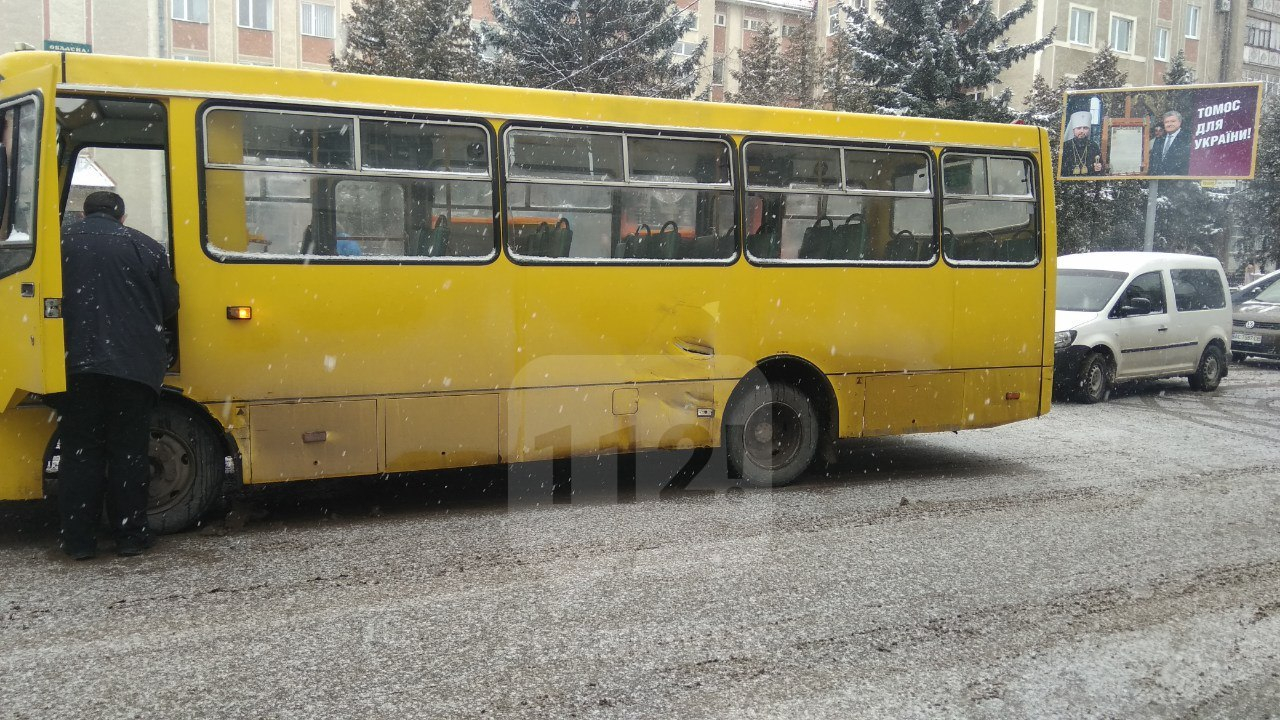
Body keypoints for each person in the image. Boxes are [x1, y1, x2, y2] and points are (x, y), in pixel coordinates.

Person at [55, 191, 179, 559]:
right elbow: (171, 304)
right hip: (133, 366)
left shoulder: (59, 244)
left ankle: (79, 541)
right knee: (129, 452)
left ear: (83, 213)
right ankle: (130, 537)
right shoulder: (146, 247)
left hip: (74, 364)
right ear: (121, 216)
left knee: (81, 452)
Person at [1149, 110, 1191, 176]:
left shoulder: (1187, 138)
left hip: (1179, 182)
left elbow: (1188, 162)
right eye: (1166, 122)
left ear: (1179, 122)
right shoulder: (1159, 139)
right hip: (1158, 181)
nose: (1169, 124)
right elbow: (1153, 162)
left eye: (1173, 121)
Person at [1062, 111, 1104, 176]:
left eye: (1085, 128)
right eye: (1079, 128)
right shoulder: (1066, 146)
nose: (1082, 131)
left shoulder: (1093, 146)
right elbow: (1062, 168)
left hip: (1089, 183)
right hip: (1069, 182)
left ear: (1089, 130)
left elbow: (1100, 166)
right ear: (1073, 130)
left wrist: (1099, 168)